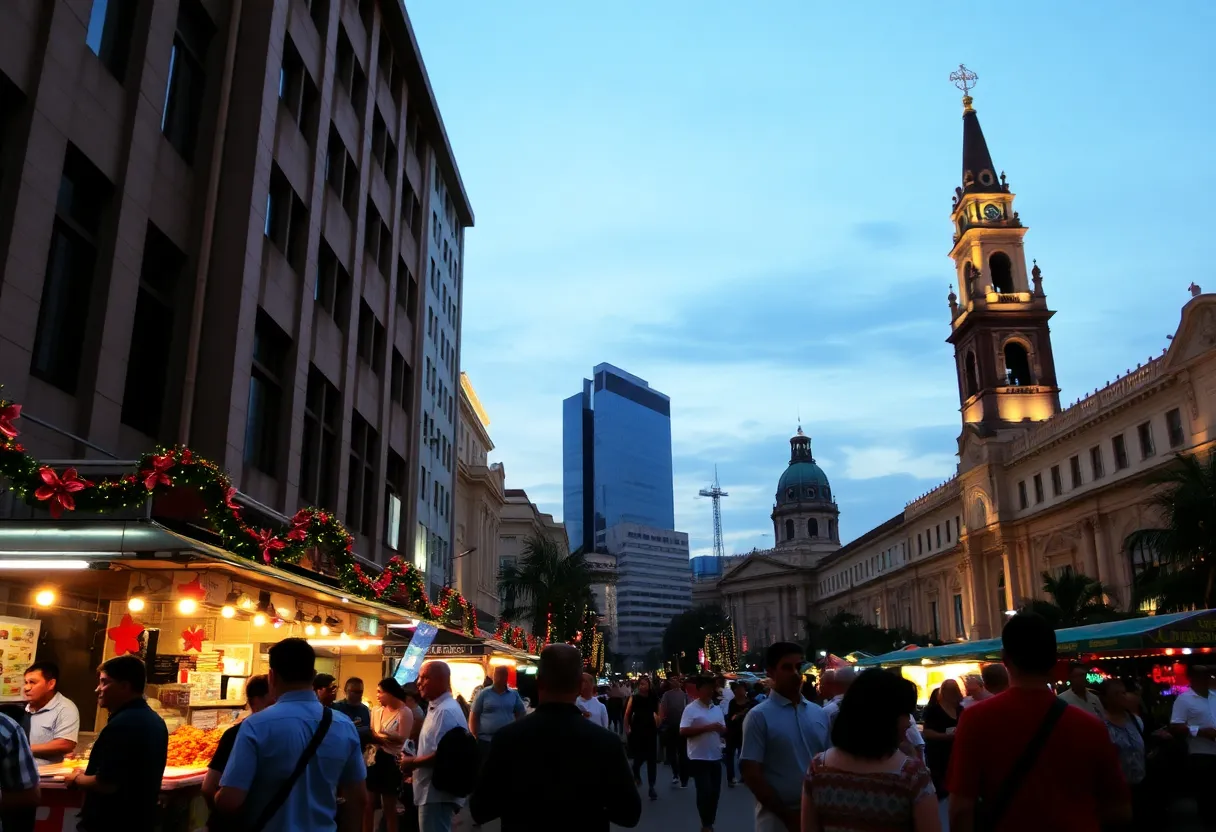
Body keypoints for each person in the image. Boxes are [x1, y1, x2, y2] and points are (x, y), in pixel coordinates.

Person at [947, 612, 1130, 832]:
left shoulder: (976, 720)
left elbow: (960, 809)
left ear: (1005, 659)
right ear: (1053, 660)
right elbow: (1119, 809)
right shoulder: (1091, 726)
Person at [469, 644, 640, 831]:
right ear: (578, 685)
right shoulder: (606, 742)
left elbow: (480, 808)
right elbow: (629, 813)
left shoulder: (507, 739)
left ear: (539, 681)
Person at [216, 638, 367, 831]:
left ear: (272, 676)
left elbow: (231, 801)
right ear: (313, 676)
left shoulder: (255, 726)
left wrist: (215, 797)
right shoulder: (344, 725)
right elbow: (358, 798)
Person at [801, 669, 938, 832]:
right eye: (905, 713)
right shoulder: (912, 776)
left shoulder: (818, 769)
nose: (909, 722)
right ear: (884, 717)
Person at [65, 655, 168, 832]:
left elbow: (106, 784)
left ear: (124, 686)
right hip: (141, 820)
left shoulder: (123, 724)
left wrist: (76, 778)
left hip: (113, 822)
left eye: (104, 682)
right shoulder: (154, 720)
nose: (98, 689)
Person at [741, 642, 831, 832]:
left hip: (819, 813)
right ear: (771, 672)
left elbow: (830, 760)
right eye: (787, 668)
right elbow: (751, 774)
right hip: (776, 819)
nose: (796, 674)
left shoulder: (819, 713)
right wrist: (788, 817)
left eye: (799, 667)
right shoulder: (759, 716)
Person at [400, 661, 469, 832]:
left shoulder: (446, 711)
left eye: (425, 678)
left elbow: (446, 755)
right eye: (419, 678)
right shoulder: (437, 708)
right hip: (430, 792)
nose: (419, 683)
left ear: (441, 680)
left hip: (436, 793)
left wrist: (413, 762)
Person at [202, 674, 274, 825]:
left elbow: (209, 787)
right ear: (255, 701)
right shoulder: (236, 734)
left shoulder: (240, 732)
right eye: (271, 703)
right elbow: (209, 787)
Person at [1170, 664, 1216, 827]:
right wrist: (1201, 732)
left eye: (1207, 676)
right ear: (1193, 679)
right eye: (1201, 676)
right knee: (1206, 796)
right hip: (1201, 755)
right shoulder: (1184, 699)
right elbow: (1176, 726)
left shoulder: (1213, 696)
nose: (1206, 679)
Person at [681, 676, 727, 832]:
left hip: (715, 755)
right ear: (699, 690)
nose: (709, 691)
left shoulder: (717, 709)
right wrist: (707, 728)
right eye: (706, 688)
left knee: (715, 793)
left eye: (711, 688)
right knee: (704, 791)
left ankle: (710, 821)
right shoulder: (691, 709)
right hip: (698, 757)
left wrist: (722, 730)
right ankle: (706, 824)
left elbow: (722, 728)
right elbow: (683, 731)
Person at [1100, 679, 1147, 829]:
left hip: (1140, 786)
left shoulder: (1135, 720)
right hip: (1115, 792)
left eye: (1123, 693)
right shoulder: (1100, 725)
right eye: (1116, 694)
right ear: (1106, 699)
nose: (1122, 697)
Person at [367, 678, 411, 832]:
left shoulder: (404, 712)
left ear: (390, 692)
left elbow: (402, 739)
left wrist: (382, 737)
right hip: (374, 757)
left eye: (380, 692)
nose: (377, 695)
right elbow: (372, 731)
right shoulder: (376, 711)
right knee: (368, 803)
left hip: (391, 761)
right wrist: (383, 738)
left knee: (388, 806)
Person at [921, 679, 962, 829]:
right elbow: (927, 732)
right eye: (948, 690)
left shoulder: (960, 709)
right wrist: (946, 736)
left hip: (955, 752)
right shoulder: (933, 709)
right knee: (940, 786)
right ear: (943, 691)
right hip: (937, 753)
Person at [23, 661, 80, 764]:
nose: (26, 688)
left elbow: (65, 743)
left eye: (32, 682)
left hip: (45, 776)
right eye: (26, 683)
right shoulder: (22, 708)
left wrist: (22, 748)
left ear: (51, 684)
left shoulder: (65, 708)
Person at [469, 665, 525, 757]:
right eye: (496, 674)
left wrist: (516, 729)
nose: (498, 677)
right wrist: (475, 735)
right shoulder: (484, 694)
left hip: (507, 740)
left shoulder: (513, 694)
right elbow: (474, 714)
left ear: (506, 677)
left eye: (501, 675)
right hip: (486, 741)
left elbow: (521, 712)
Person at [0, 710, 40, 832]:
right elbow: (29, 796)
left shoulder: (6, 727)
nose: (27, 689)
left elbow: (27, 796)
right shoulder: (5, 726)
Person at [624, 674, 660, 800]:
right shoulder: (634, 698)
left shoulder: (654, 698)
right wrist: (627, 729)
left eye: (644, 684)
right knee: (638, 759)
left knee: (651, 760)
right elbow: (627, 714)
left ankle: (651, 786)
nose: (642, 686)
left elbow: (659, 713)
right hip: (637, 730)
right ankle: (636, 775)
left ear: (649, 685)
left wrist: (658, 723)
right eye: (640, 684)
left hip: (650, 730)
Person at [659, 673, 690, 787]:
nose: (674, 682)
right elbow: (662, 709)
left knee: (683, 753)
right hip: (671, 726)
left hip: (682, 726)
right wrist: (661, 721)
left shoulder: (685, 695)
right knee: (671, 752)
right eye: (672, 680)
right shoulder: (666, 695)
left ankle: (684, 778)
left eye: (676, 680)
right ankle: (675, 774)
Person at [725, 681, 752, 788]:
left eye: (741, 689)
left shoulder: (750, 703)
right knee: (730, 756)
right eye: (737, 689)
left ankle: (744, 776)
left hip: (744, 732)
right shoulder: (732, 703)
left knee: (744, 756)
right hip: (732, 732)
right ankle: (730, 777)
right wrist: (739, 714)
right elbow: (731, 718)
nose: (738, 691)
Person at [333, 677, 374, 746]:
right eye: (354, 692)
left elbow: (368, 732)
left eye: (360, 692)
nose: (357, 695)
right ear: (345, 691)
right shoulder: (336, 708)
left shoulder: (365, 710)